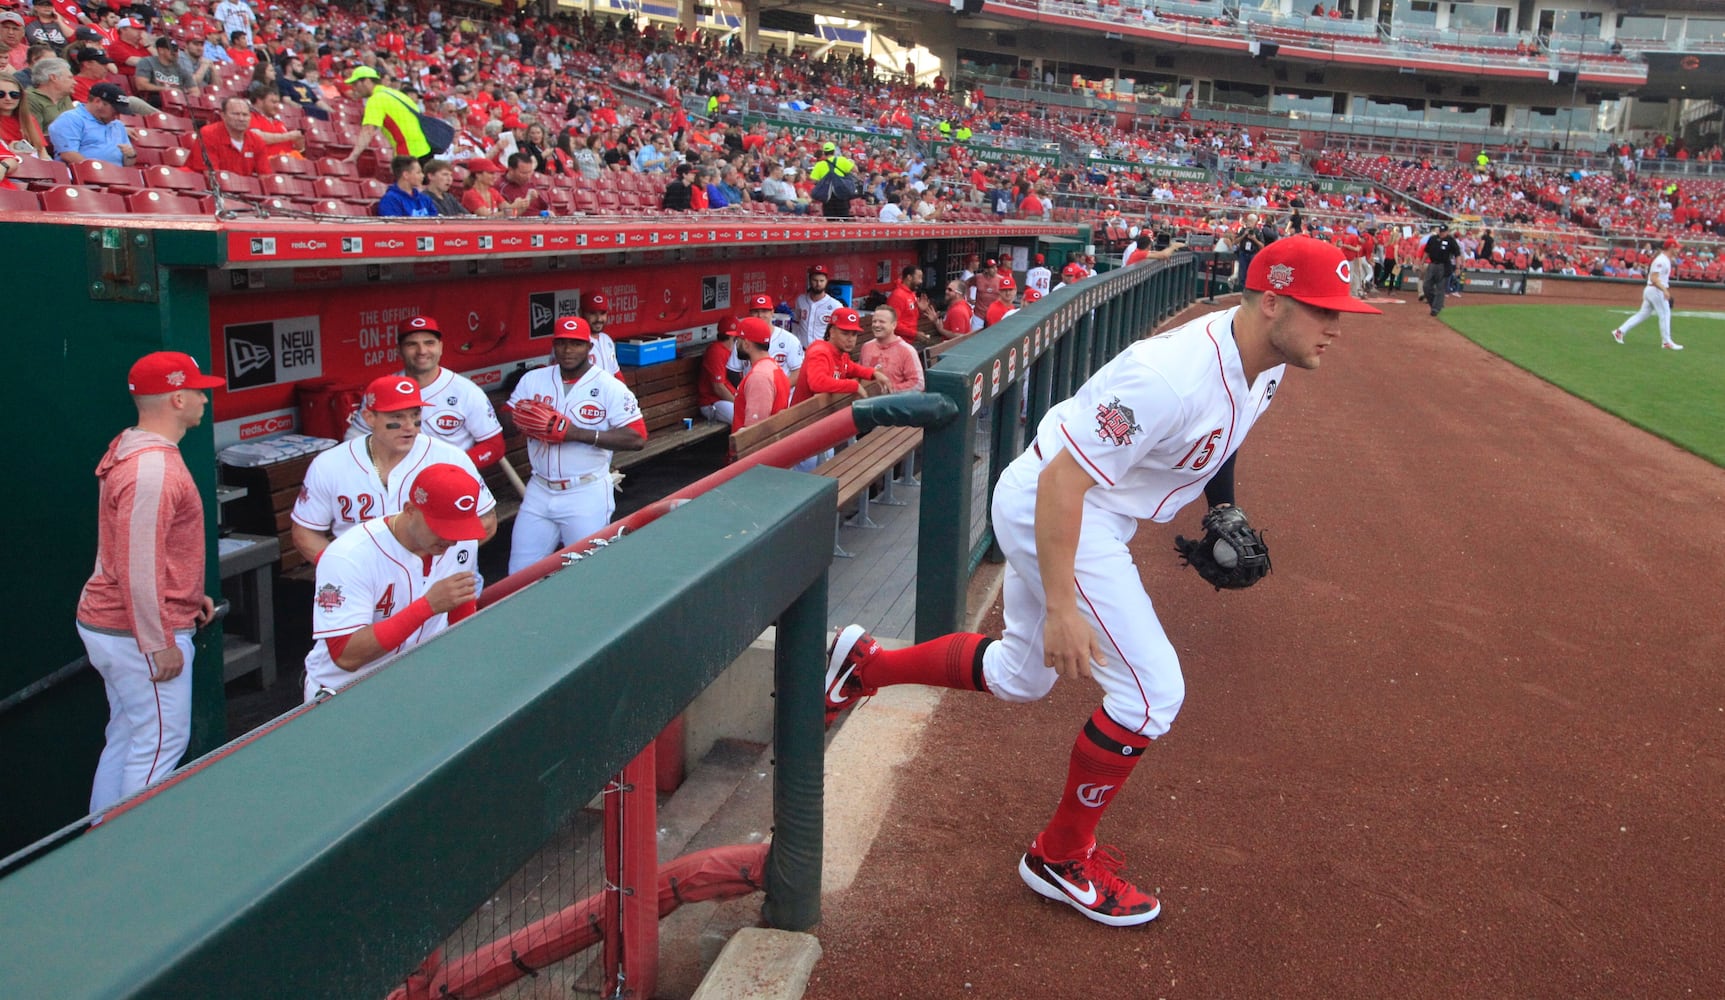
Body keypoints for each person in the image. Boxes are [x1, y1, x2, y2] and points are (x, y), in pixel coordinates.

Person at [821, 237, 1381, 927]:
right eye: (1323, 309)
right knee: (1152, 695)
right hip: (1059, 507)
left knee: (1021, 678)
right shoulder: (1167, 376)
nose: (1336, 326)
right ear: (1270, 302)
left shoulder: (1266, 359)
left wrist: (1221, 508)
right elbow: (1064, 481)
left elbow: (1221, 441)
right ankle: (1058, 856)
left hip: (1091, 510)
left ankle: (863, 663)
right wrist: (1061, 606)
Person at [76, 351, 225, 815]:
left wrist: (183, 592)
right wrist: (157, 640)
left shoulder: (135, 446)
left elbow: (148, 554)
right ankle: (128, 858)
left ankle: (100, 842)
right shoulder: (152, 469)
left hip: (121, 624)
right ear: (177, 398)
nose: (205, 398)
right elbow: (138, 563)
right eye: (199, 390)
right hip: (134, 631)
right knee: (160, 744)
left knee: (128, 734)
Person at [300, 463, 485, 703]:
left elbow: (461, 605)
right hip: (346, 695)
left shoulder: (460, 542)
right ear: (410, 510)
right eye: (441, 527)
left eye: (458, 527)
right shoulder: (348, 557)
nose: (451, 539)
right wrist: (427, 606)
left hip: (418, 684)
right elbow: (346, 655)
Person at [291, 375, 497, 567]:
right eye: (397, 416)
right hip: (361, 579)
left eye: (415, 415)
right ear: (369, 417)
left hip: (437, 575)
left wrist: (425, 566)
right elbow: (305, 532)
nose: (409, 426)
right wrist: (345, 570)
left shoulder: (451, 457)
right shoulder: (330, 464)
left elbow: (486, 521)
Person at [504, 316, 646, 573]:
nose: (568, 350)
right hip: (539, 489)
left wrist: (577, 433)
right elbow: (508, 417)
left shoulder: (609, 387)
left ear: (589, 347)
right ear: (553, 345)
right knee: (518, 574)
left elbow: (637, 438)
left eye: (576, 344)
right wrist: (524, 418)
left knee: (587, 573)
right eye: (562, 343)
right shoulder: (532, 380)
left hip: (585, 491)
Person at [344, 315, 504, 465]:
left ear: (440, 347)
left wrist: (456, 467)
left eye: (429, 343)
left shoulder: (466, 391)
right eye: (412, 344)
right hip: (396, 480)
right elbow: (355, 438)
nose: (422, 351)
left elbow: (494, 445)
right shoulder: (382, 389)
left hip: (450, 481)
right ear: (398, 350)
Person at [795, 308, 891, 401]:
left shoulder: (841, 354)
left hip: (821, 413)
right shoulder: (819, 352)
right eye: (845, 333)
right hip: (802, 416)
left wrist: (873, 373)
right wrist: (852, 385)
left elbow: (852, 368)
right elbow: (817, 383)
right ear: (832, 332)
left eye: (854, 334)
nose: (850, 339)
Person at [344, 66, 432, 165]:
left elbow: (368, 130)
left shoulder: (376, 99)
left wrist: (354, 156)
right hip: (425, 150)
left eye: (355, 84)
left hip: (408, 153)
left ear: (367, 81)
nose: (353, 88)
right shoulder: (397, 94)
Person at [1611, 237, 1682, 350]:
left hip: (1652, 290)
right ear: (1671, 247)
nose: (1679, 250)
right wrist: (1664, 290)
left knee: (1643, 314)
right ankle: (1666, 342)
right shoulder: (1661, 260)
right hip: (1655, 290)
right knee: (1665, 314)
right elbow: (1654, 278)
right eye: (1677, 247)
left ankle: (1620, 331)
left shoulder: (1665, 260)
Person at [47, 82, 133, 167]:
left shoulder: (118, 125)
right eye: (115, 110)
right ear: (97, 101)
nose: (117, 115)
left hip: (118, 176)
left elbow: (128, 164)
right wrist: (100, 171)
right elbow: (68, 155)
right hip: (82, 176)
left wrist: (130, 155)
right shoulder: (71, 119)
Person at [732, 317, 791, 432]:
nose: (736, 344)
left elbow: (754, 431)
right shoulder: (772, 366)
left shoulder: (759, 377)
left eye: (737, 340)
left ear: (746, 344)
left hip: (755, 448)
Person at [192, 95, 267, 175]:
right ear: (223, 116)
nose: (241, 119)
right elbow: (211, 176)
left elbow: (265, 176)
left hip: (238, 186)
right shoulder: (208, 134)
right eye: (235, 114)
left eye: (245, 115)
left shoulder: (257, 140)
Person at [860, 307, 925, 392]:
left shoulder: (907, 350)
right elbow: (860, 375)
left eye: (882, 322)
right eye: (874, 321)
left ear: (893, 325)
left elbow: (918, 384)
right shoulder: (866, 347)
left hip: (895, 402)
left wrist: (890, 390)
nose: (876, 325)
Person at [698, 316, 740, 424]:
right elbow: (719, 388)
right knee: (743, 418)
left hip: (729, 399)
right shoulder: (716, 351)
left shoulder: (734, 350)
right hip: (713, 403)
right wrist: (739, 403)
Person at [793, 263, 843, 348]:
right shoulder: (800, 300)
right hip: (802, 350)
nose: (818, 284)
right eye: (815, 280)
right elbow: (796, 323)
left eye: (821, 281)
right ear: (809, 280)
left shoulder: (836, 305)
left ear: (826, 281)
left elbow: (840, 332)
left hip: (823, 351)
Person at [808, 140, 857, 218]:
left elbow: (813, 180)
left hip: (828, 195)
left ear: (824, 152)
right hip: (841, 194)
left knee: (830, 220)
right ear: (834, 151)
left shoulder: (819, 165)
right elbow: (855, 170)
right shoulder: (841, 160)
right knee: (843, 219)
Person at [1422, 224, 1462, 317]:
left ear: (1447, 232)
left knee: (1440, 288)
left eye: (1443, 232)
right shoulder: (1433, 239)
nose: (1442, 233)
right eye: (1441, 231)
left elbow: (1457, 254)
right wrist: (1422, 262)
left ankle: (1436, 309)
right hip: (1432, 264)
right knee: (1426, 286)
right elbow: (1426, 251)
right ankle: (1435, 304)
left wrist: (1457, 267)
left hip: (1444, 266)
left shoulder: (1451, 240)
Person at [579, 292, 623, 376]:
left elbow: (616, 372)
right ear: (581, 313)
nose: (598, 319)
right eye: (592, 313)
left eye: (602, 313)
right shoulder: (573, 343)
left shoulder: (607, 340)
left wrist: (625, 389)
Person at [25, 56, 75, 129]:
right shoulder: (30, 99)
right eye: (70, 77)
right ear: (53, 78)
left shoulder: (64, 96)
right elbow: (35, 134)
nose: (75, 82)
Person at [885, 266, 921, 344]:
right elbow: (893, 323)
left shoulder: (912, 293)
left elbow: (909, 318)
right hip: (897, 344)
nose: (920, 281)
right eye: (918, 277)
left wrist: (920, 309)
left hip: (908, 342)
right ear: (909, 277)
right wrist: (915, 334)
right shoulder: (897, 296)